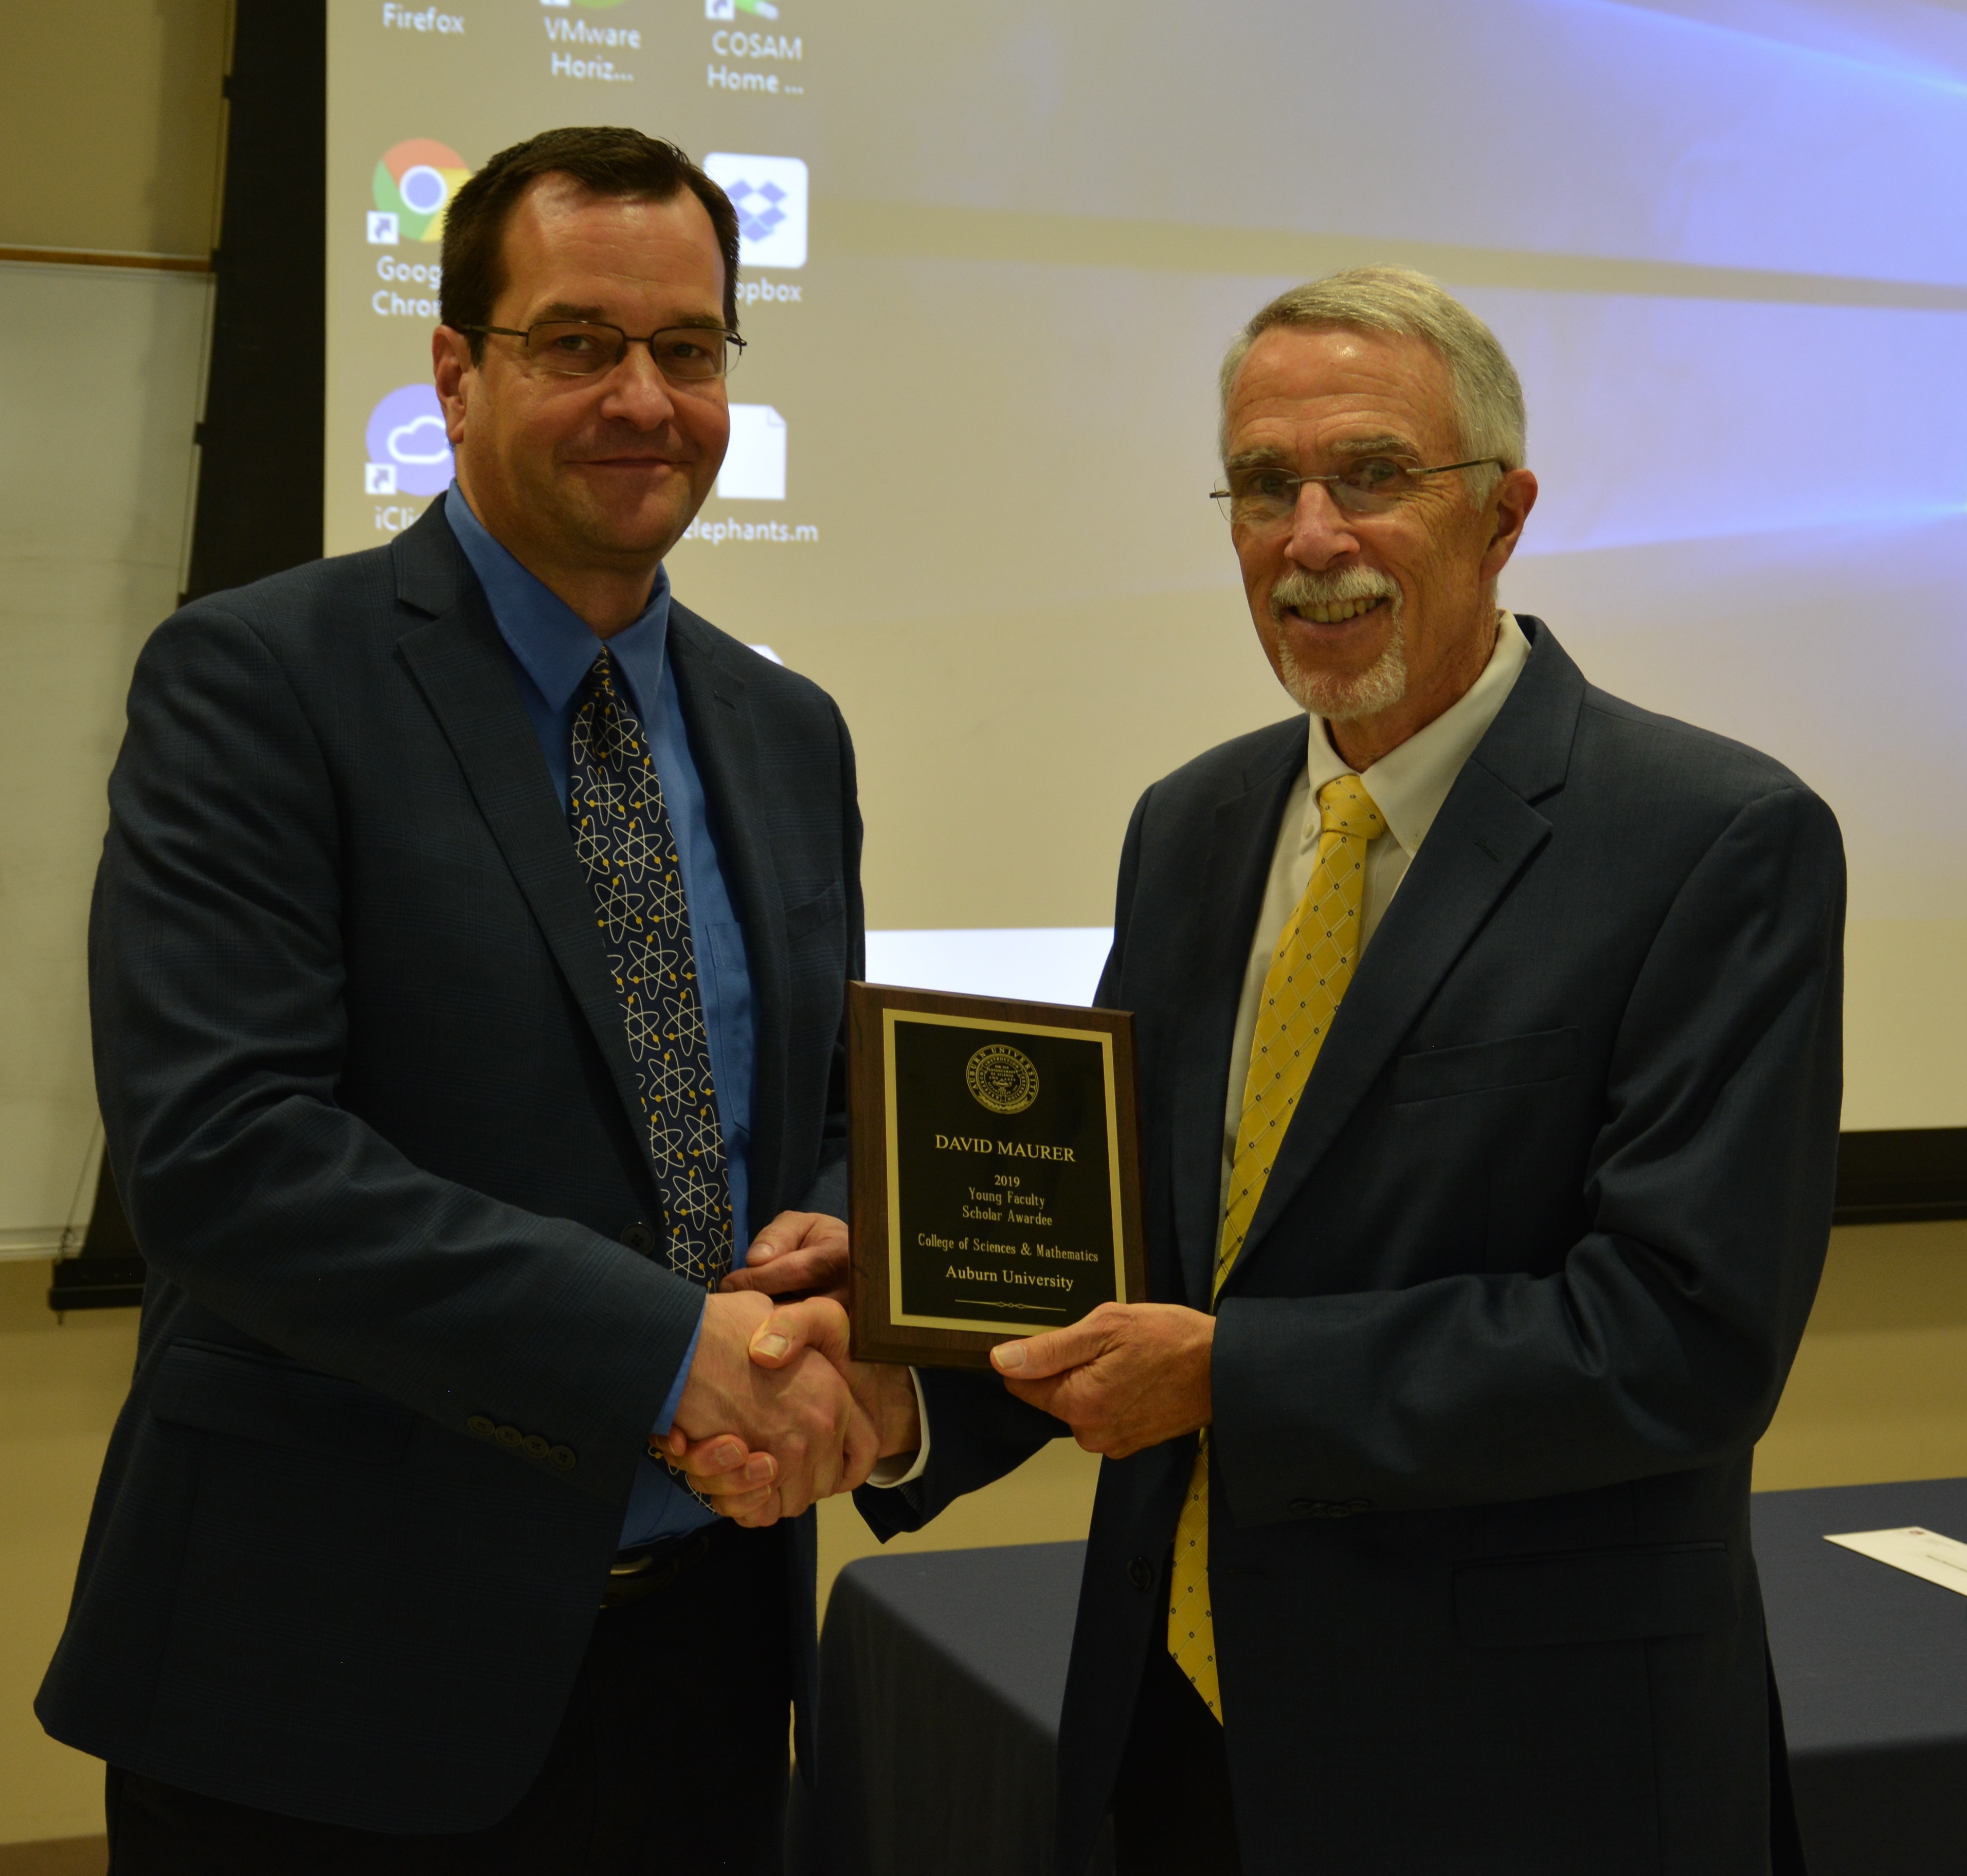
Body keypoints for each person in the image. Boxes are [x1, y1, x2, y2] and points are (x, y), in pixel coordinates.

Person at [687, 266, 1843, 1874]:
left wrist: (1230, 1374)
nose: (1310, 537)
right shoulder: (1194, 825)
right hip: (1181, 1735)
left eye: (1370, 474)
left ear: (1500, 517)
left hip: (1524, 1771)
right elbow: (1121, 1256)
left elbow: (1677, 1336)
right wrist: (899, 1358)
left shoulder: (1711, 839)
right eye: (1260, 485)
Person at [37, 126, 915, 1874]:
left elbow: (815, 1109)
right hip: (333, 1679)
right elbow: (227, 1158)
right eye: (578, 342)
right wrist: (668, 1341)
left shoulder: (784, 728)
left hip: (707, 1655)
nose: (644, 399)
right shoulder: (258, 679)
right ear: (455, 370)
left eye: (687, 348)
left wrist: (832, 1277)